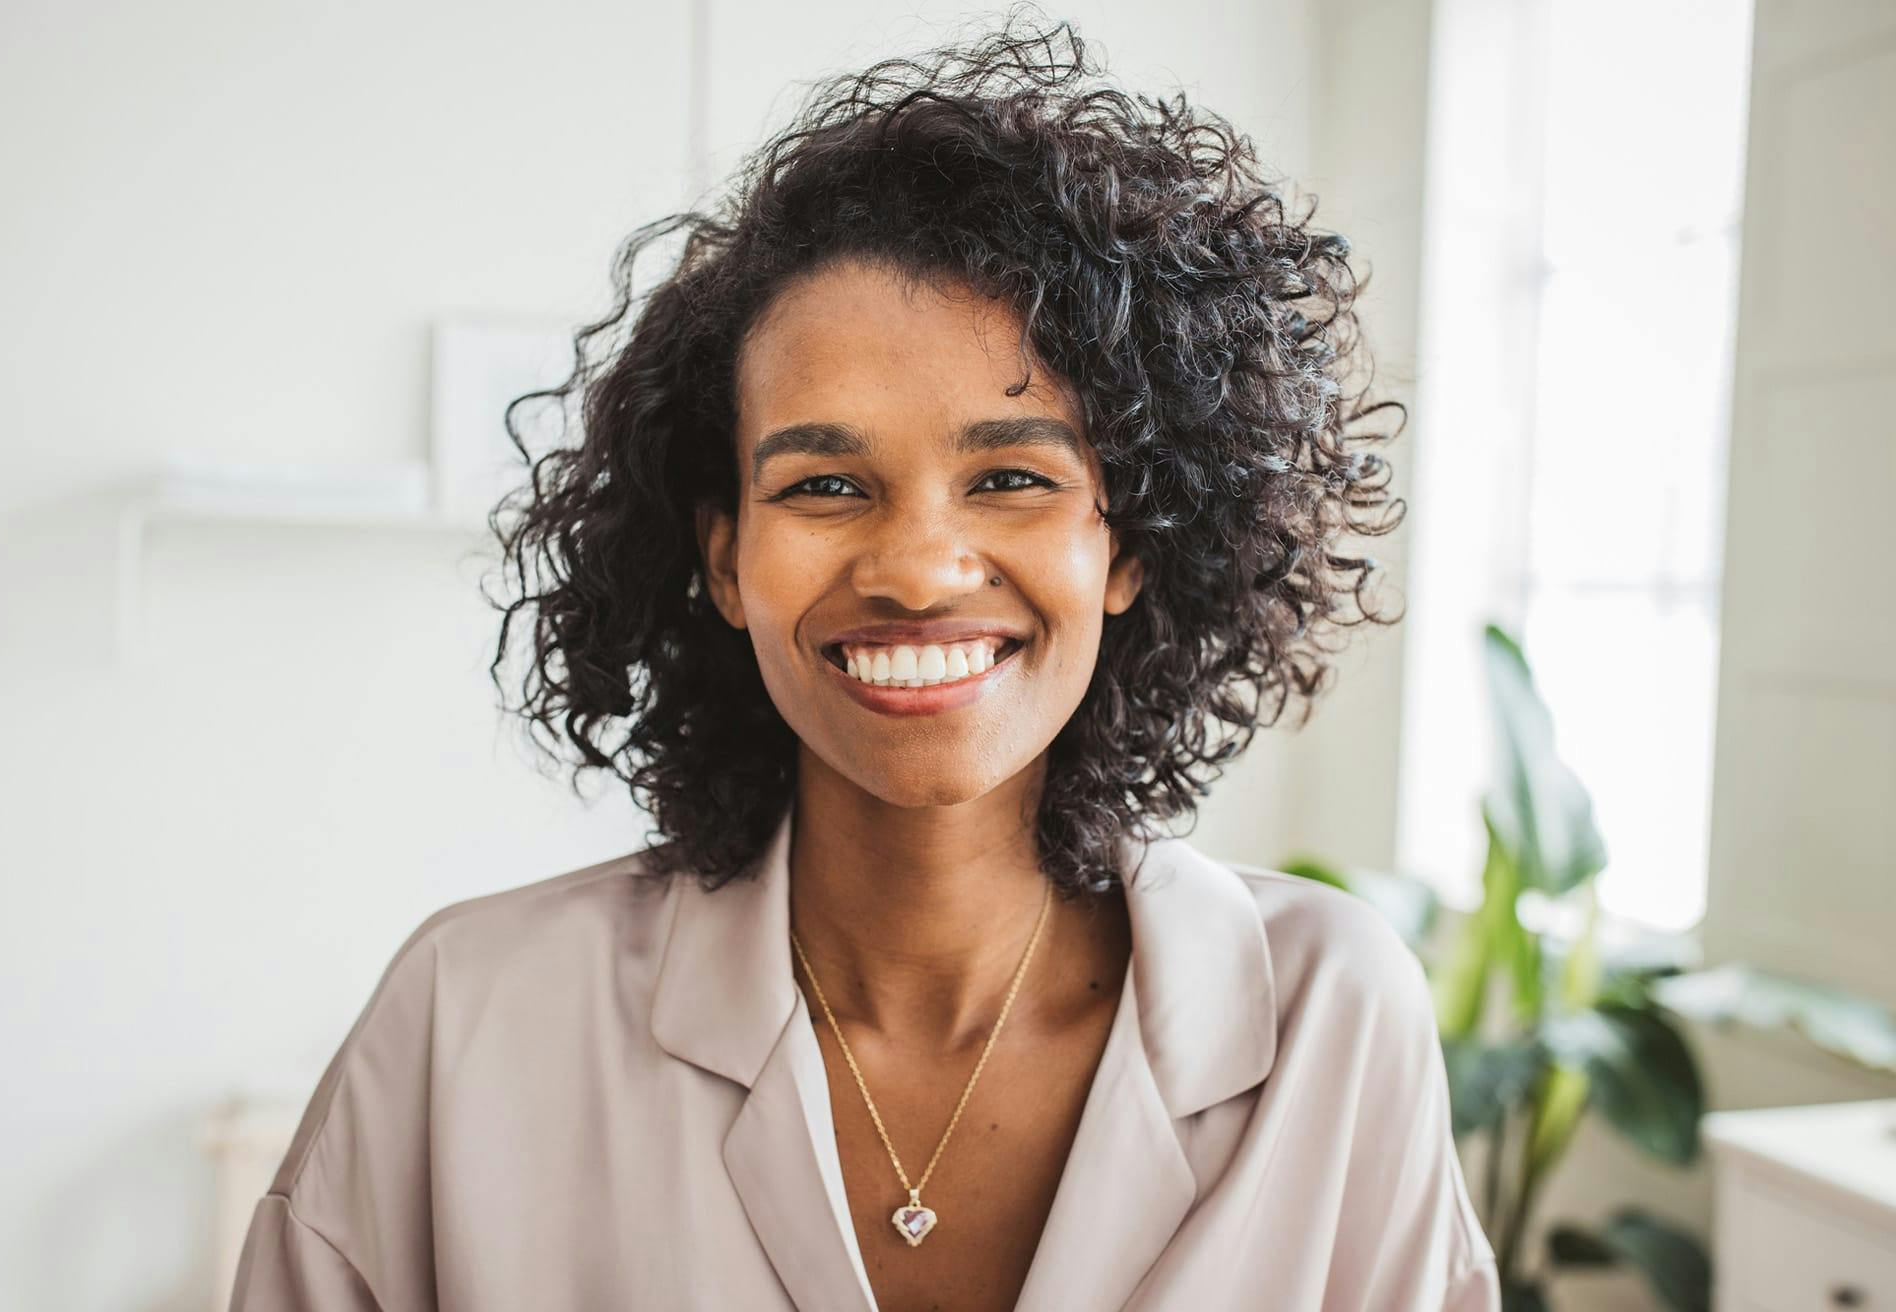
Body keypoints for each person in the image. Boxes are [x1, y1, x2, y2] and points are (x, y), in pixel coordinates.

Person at [227, 12, 1499, 1311]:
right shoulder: (472, 1019)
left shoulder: (1329, 1020)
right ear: (723, 558)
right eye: (828, 483)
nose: (917, 565)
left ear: (1129, 546)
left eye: (1009, 476)